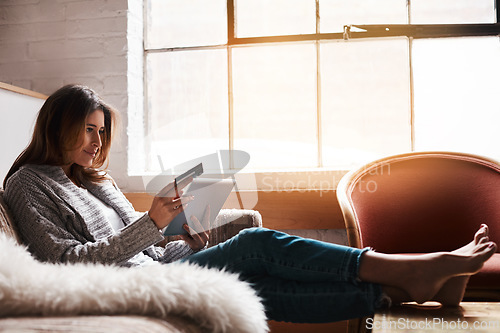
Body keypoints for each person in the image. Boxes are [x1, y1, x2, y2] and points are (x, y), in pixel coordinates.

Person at [3, 84, 496, 323]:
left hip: (159, 260)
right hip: (131, 283)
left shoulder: (89, 177)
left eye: (101, 131)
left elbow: (135, 238)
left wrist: (174, 226)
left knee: (256, 276)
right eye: (88, 130)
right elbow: (63, 263)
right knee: (256, 243)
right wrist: (151, 223)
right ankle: (409, 269)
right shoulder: (28, 185)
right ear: (58, 124)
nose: (96, 142)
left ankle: (402, 292)